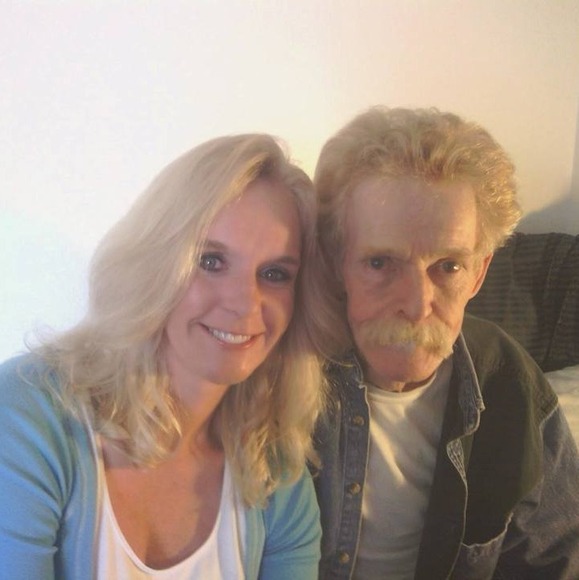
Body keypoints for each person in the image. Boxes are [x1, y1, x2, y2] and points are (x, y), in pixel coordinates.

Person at [0, 133, 331, 579]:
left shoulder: (274, 468)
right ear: (154, 262)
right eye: (210, 261)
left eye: (274, 274)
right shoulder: (27, 415)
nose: (245, 304)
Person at [313, 107, 579, 579]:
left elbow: (556, 559)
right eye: (380, 263)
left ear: (478, 273)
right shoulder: (283, 377)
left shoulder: (512, 384)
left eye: (448, 266)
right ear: (337, 264)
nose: (418, 305)